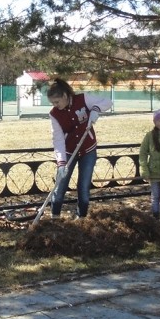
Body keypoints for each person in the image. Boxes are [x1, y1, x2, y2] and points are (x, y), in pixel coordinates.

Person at [46, 78, 112, 219]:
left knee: (83, 186)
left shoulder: (83, 99)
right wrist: (61, 163)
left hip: (88, 150)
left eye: (57, 102)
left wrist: (96, 109)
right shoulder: (54, 114)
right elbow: (58, 140)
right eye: (53, 103)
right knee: (60, 185)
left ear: (65, 95)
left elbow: (107, 101)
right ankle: (54, 217)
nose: (55, 105)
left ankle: (81, 218)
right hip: (69, 151)